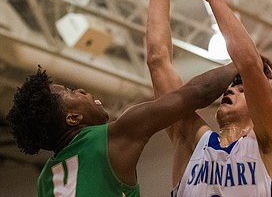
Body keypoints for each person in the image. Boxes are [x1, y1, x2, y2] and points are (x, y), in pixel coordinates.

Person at [131, 0, 272, 197]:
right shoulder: (192, 142)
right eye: (233, 86)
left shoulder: (269, 146)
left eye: (242, 90)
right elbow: (157, 61)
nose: (230, 89)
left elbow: (250, 65)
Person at [6, 59, 243, 197]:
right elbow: (198, 94)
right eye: (69, 92)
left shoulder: (46, 179)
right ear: (73, 118)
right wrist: (242, 63)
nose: (80, 90)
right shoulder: (110, 139)